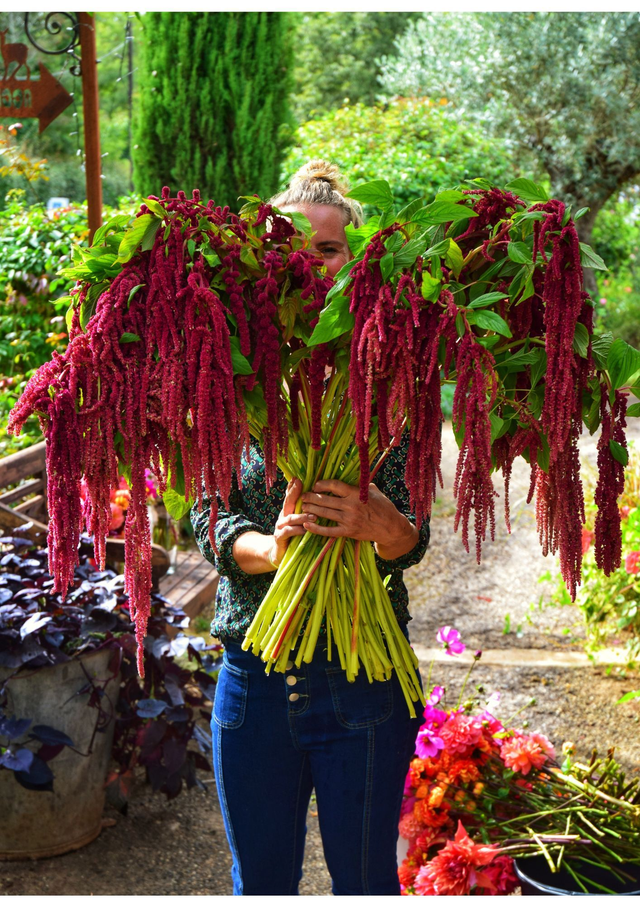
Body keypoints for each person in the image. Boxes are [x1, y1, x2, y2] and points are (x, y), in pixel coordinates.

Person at [191, 160, 429, 896]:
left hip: (362, 677)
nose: (307, 264)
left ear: (354, 264)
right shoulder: (230, 375)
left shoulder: (393, 377)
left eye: (326, 250)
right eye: (289, 248)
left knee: (365, 883)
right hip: (254, 681)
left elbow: (413, 535)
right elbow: (206, 513)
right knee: (260, 883)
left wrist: (380, 525)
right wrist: (269, 547)